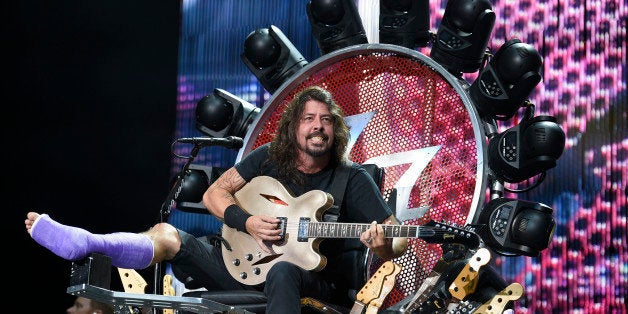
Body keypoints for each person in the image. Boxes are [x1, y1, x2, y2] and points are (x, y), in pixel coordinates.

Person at [25, 86, 408, 313]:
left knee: (283, 270)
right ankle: (89, 243)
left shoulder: (352, 178)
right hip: (243, 269)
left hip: (310, 283)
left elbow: (398, 238)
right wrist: (247, 222)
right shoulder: (269, 158)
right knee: (168, 234)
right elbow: (214, 193)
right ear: (294, 126)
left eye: (326, 119)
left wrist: (386, 247)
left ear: (335, 129)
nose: (318, 126)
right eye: (309, 118)